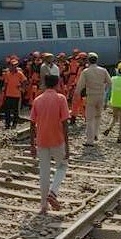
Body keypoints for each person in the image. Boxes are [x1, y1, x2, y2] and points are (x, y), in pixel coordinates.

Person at [30, 75, 70, 215]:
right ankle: (53, 192)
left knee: (44, 172)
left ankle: (43, 206)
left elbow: (32, 123)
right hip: (57, 140)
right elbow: (65, 123)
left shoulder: (37, 100)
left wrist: (32, 144)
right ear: (58, 84)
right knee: (62, 166)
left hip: (41, 140)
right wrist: (67, 146)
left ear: (44, 84)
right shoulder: (61, 99)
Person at [74, 52, 111, 147]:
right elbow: (110, 83)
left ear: (88, 61)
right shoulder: (103, 70)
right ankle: (95, 134)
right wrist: (105, 90)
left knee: (90, 118)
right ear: (97, 60)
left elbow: (80, 85)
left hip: (91, 96)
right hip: (101, 95)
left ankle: (90, 141)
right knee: (98, 116)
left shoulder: (86, 71)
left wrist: (76, 95)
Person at [1, 59, 27, 129]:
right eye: (13, 65)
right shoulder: (7, 73)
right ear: (10, 66)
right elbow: (6, 83)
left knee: (15, 110)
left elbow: (24, 81)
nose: (14, 67)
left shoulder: (19, 73)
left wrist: (22, 88)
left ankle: (14, 123)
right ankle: (7, 124)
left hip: (16, 95)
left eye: (15, 65)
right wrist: (4, 92)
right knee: (7, 110)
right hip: (8, 94)